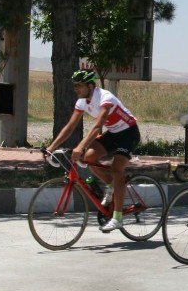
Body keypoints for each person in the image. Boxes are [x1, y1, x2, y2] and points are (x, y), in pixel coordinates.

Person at [45, 69, 141, 233]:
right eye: (75, 86)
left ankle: (117, 218)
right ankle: (110, 185)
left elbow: (97, 126)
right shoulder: (82, 101)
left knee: (117, 168)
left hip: (128, 133)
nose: (76, 89)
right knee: (88, 158)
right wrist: (51, 147)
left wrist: (80, 146)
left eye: (79, 86)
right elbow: (70, 126)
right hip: (113, 133)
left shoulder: (105, 97)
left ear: (90, 86)